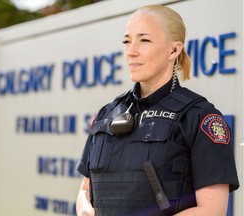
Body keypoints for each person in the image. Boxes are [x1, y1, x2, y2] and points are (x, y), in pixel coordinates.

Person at [76, 4, 239, 216]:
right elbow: (84, 191)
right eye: (127, 41)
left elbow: (212, 210)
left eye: (144, 40)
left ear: (174, 49)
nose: (131, 52)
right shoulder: (107, 114)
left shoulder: (199, 117)